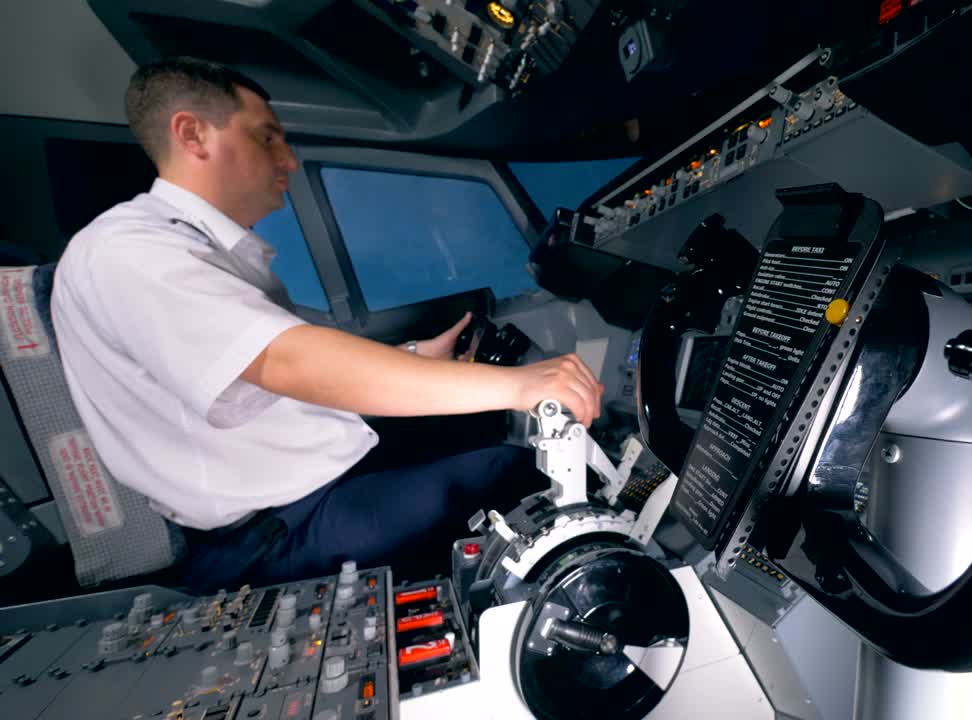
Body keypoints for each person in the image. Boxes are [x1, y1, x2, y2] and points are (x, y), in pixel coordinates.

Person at [51, 57, 603, 592]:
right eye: (267, 137)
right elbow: (287, 360)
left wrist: (412, 357)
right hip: (265, 537)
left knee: (476, 436)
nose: (287, 159)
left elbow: (278, 381)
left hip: (299, 489)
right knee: (507, 473)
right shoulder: (127, 252)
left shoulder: (201, 255)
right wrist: (522, 383)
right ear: (193, 135)